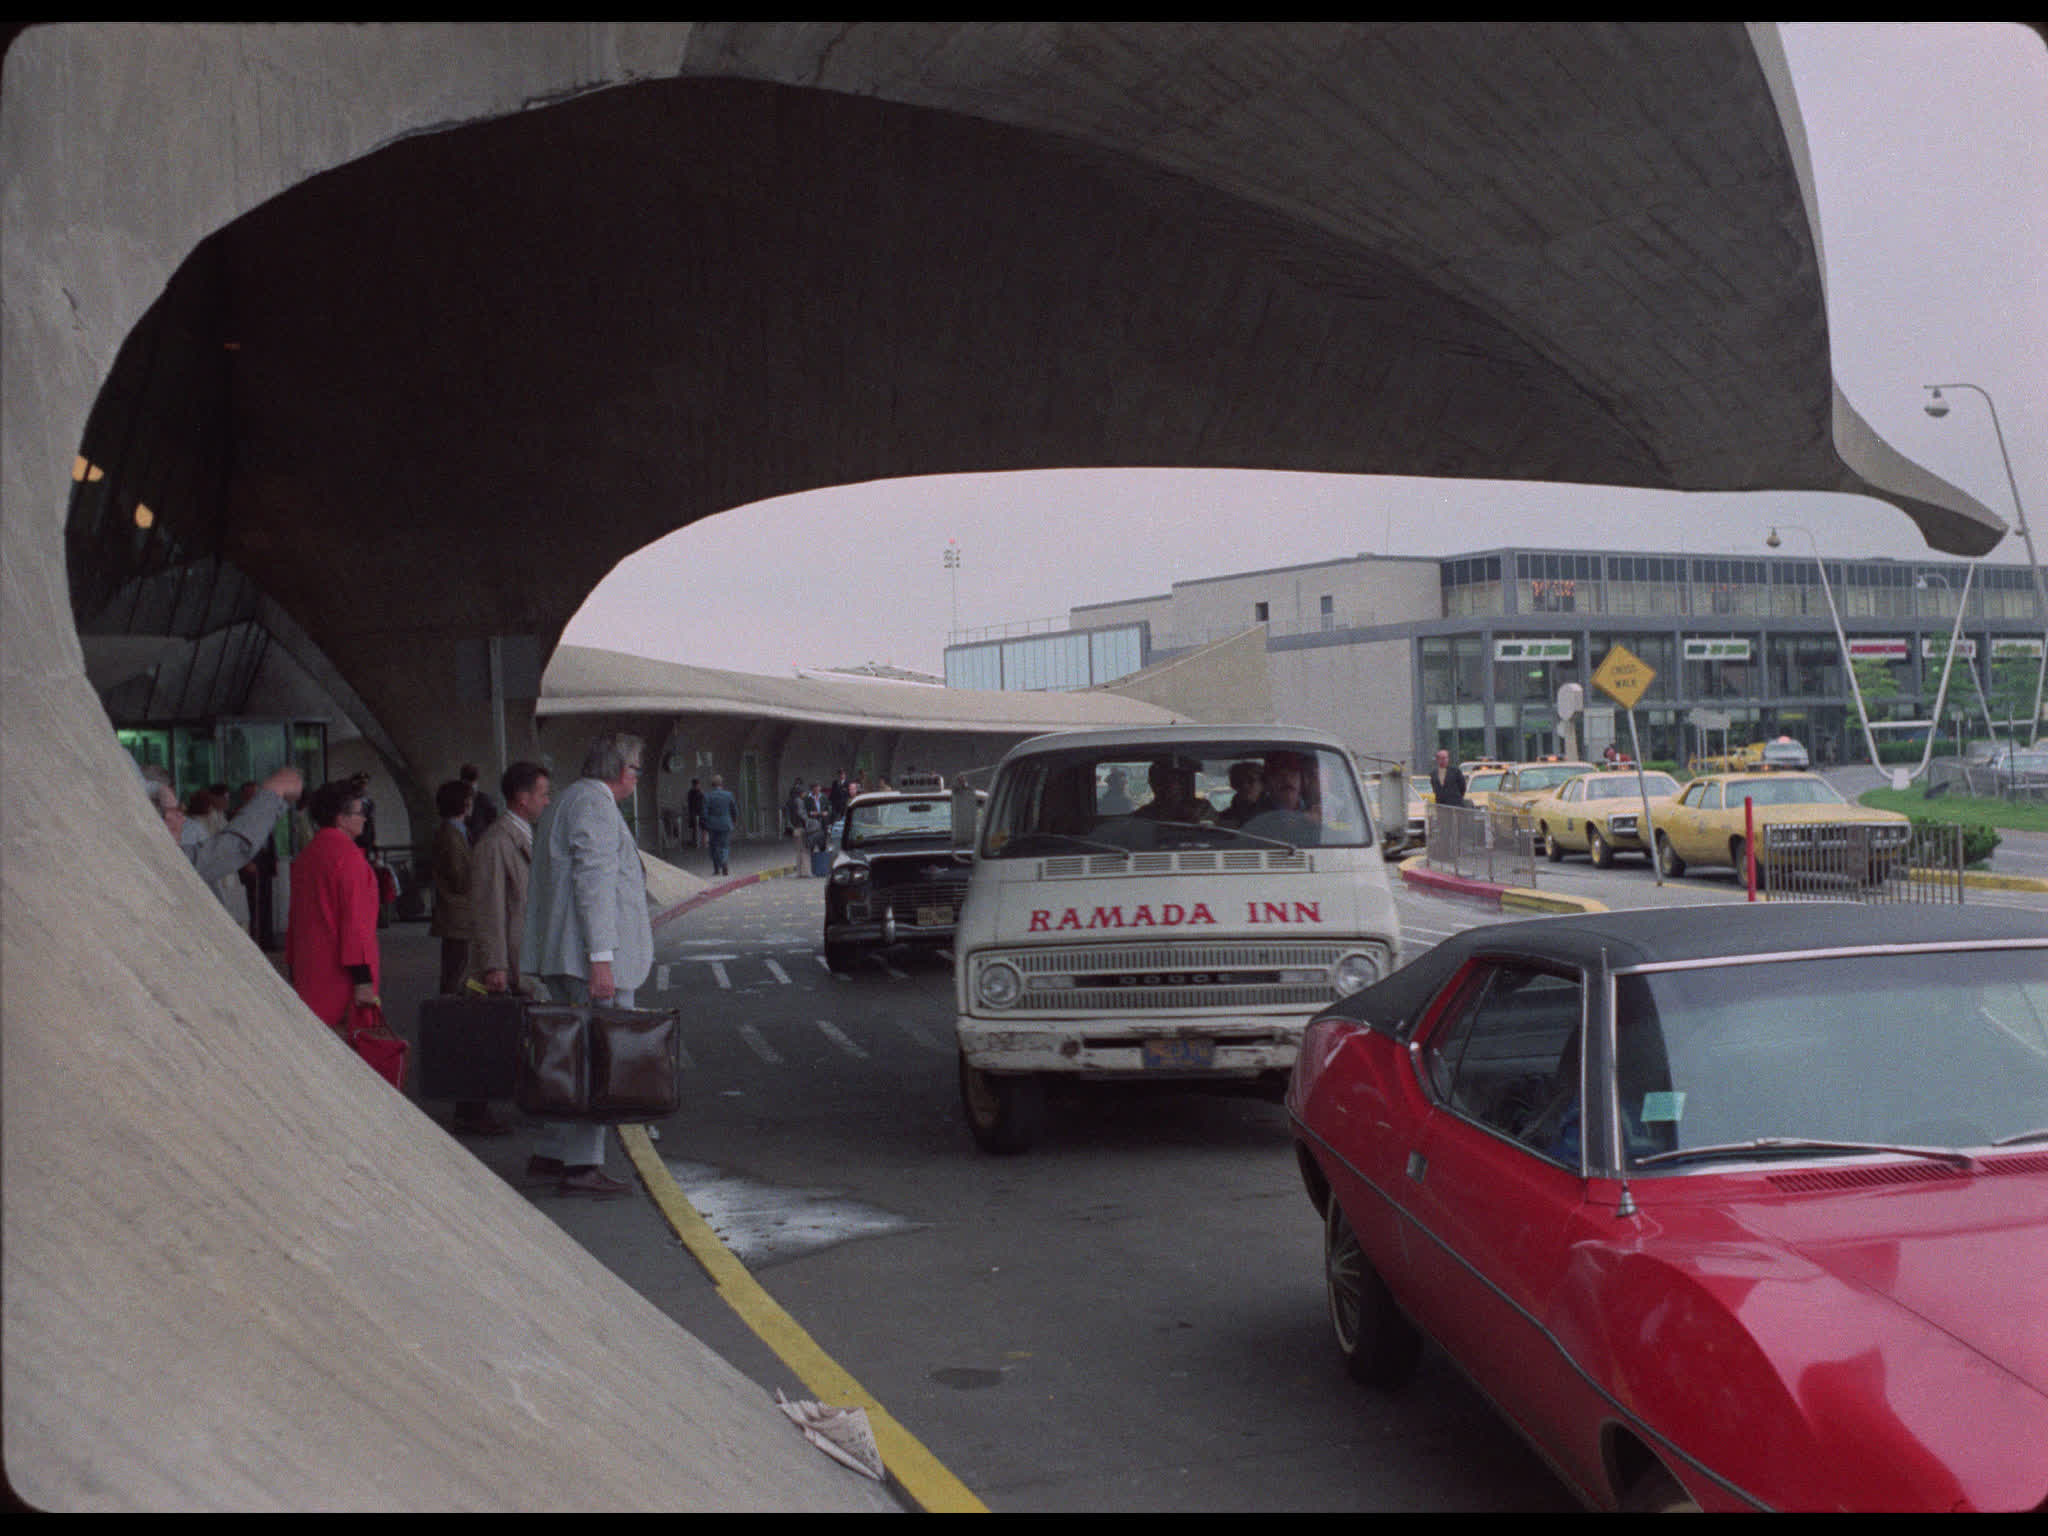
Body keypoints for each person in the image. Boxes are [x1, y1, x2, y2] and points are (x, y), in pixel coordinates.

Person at [521, 732, 651, 1199]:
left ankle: (553, 1150)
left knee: (566, 1055)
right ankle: (581, 1167)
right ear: (622, 772)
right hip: (588, 959)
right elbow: (593, 883)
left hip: (563, 954)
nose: (636, 778)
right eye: (636, 770)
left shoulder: (565, 801)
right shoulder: (596, 806)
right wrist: (602, 959)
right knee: (596, 1057)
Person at [285, 779, 381, 1035]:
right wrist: (363, 981)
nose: (364, 819)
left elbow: (295, 918)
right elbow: (355, 924)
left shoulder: (308, 855)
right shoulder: (349, 859)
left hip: (310, 972)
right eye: (361, 813)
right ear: (341, 818)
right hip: (341, 979)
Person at [147, 762, 302, 887]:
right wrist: (274, 792)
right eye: (169, 811)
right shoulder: (156, 864)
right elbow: (232, 848)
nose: (181, 818)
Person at [472, 761, 551, 996]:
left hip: (527, 958)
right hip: (512, 966)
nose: (547, 801)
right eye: (544, 795)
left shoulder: (525, 834)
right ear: (523, 798)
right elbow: (489, 906)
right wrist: (495, 965)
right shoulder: (496, 841)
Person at [1132, 757, 1215, 823]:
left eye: (1175, 780)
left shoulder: (1202, 809)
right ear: (1152, 783)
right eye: (1161, 781)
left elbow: (1216, 834)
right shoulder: (1142, 819)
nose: (1167, 786)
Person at [701, 773, 738, 877]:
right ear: (722, 784)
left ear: (712, 784)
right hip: (726, 824)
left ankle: (717, 868)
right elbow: (734, 810)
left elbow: (704, 813)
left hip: (712, 825)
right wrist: (733, 821)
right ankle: (724, 861)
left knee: (714, 846)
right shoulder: (728, 795)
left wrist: (705, 827)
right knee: (725, 845)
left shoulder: (707, 796)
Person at [1216, 761, 1266, 827]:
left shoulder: (1274, 813)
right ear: (1233, 785)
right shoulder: (1226, 817)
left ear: (1262, 783)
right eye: (1238, 781)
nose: (1245, 785)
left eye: (1250, 780)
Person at [461, 762, 498, 844]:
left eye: (472, 781)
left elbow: (493, 823)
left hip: (480, 841)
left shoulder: (484, 799)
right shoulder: (483, 799)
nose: (471, 785)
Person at [785, 779, 811, 876]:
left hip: (794, 828)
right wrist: (807, 821)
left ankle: (799, 872)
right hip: (801, 827)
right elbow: (801, 813)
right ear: (800, 793)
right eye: (803, 793)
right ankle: (806, 871)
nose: (805, 794)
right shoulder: (799, 801)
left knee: (798, 850)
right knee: (804, 850)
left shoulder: (790, 802)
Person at [686, 777, 706, 849]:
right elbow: (701, 804)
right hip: (698, 813)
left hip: (694, 813)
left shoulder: (691, 793)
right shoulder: (700, 793)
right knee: (700, 828)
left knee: (696, 829)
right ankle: (701, 843)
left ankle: (697, 843)